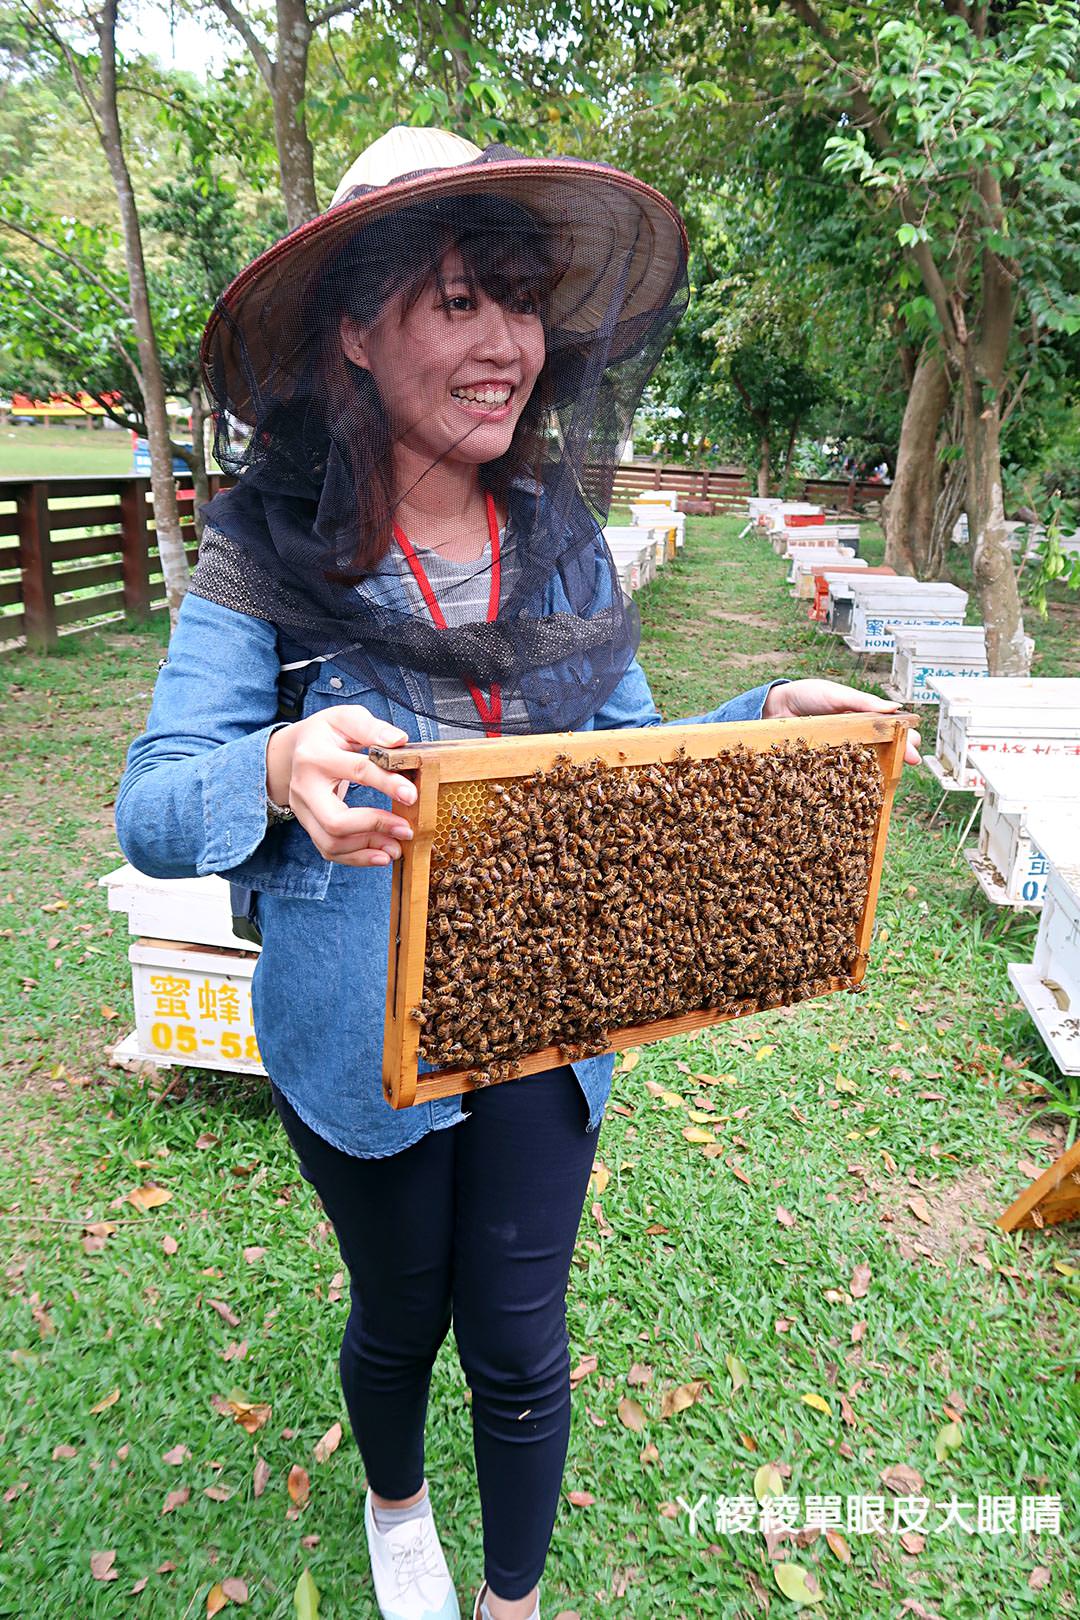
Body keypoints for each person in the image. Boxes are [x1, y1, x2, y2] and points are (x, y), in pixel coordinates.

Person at [114, 126, 920, 1620]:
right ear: (354, 334)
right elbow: (153, 806)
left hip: (550, 1009)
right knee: (401, 1310)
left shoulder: (558, 540)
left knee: (520, 1334)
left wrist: (759, 722)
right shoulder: (261, 555)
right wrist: (276, 768)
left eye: (521, 301)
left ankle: (512, 1600)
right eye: (455, 302)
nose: (506, 345)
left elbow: (616, 756)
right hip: (356, 1032)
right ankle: (397, 1506)